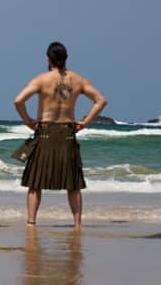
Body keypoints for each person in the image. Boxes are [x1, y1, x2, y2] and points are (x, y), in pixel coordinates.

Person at [13, 42, 106, 228]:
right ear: (66, 58)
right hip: (67, 132)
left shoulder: (42, 79)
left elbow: (18, 100)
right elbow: (100, 100)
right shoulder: (78, 80)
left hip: (45, 131)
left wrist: (29, 121)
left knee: (35, 182)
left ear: (48, 58)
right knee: (73, 183)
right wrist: (85, 122)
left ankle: (31, 222)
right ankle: (77, 224)